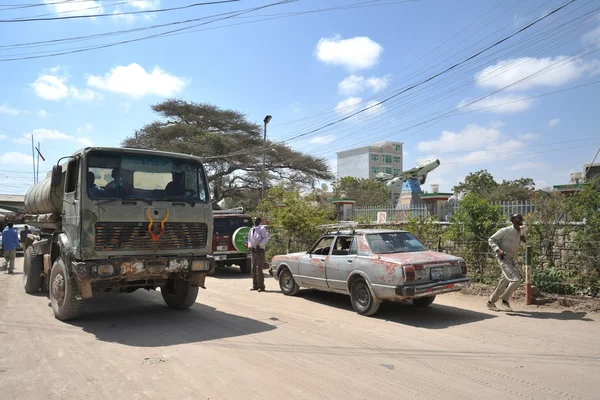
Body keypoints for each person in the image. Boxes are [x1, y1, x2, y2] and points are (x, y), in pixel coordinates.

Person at [487, 214, 527, 311]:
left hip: (512, 259)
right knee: (516, 279)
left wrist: (523, 241)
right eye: (518, 219)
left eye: (521, 219)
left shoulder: (521, 232)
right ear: (513, 220)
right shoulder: (505, 231)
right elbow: (491, 239)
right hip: (503, 258)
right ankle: (504, 300)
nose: (520, 221)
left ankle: (490, 303)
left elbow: (522, 245)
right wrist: (498, 250)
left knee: (503, 282)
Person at [247, 217, 269, 292]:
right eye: (254, 220)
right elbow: (249, 239)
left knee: (259, 269)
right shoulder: (251, 229)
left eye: (256, 220)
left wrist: (259, 245)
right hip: (253, 251)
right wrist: (250, 246)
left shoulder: (262, 229)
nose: (255, 221)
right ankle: (255, 285)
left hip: (260, 251)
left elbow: (265, 238)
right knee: (253, 268)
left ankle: (261, 286)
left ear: (259, 221)